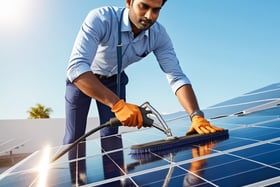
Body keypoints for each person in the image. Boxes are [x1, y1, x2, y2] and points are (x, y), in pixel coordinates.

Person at [63, 0, 224, 145]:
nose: (149, 16)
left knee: (111, 137)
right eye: (144, 6)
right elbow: (77, 68)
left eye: (156, 10)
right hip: (84, 80)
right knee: (74, 137)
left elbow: (176, 76)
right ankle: (75, 178)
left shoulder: (159, 35)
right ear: (129, 2)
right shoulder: (101, 18)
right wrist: (118, 105)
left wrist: (196, 115)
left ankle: (113, 178)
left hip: (115, 82)